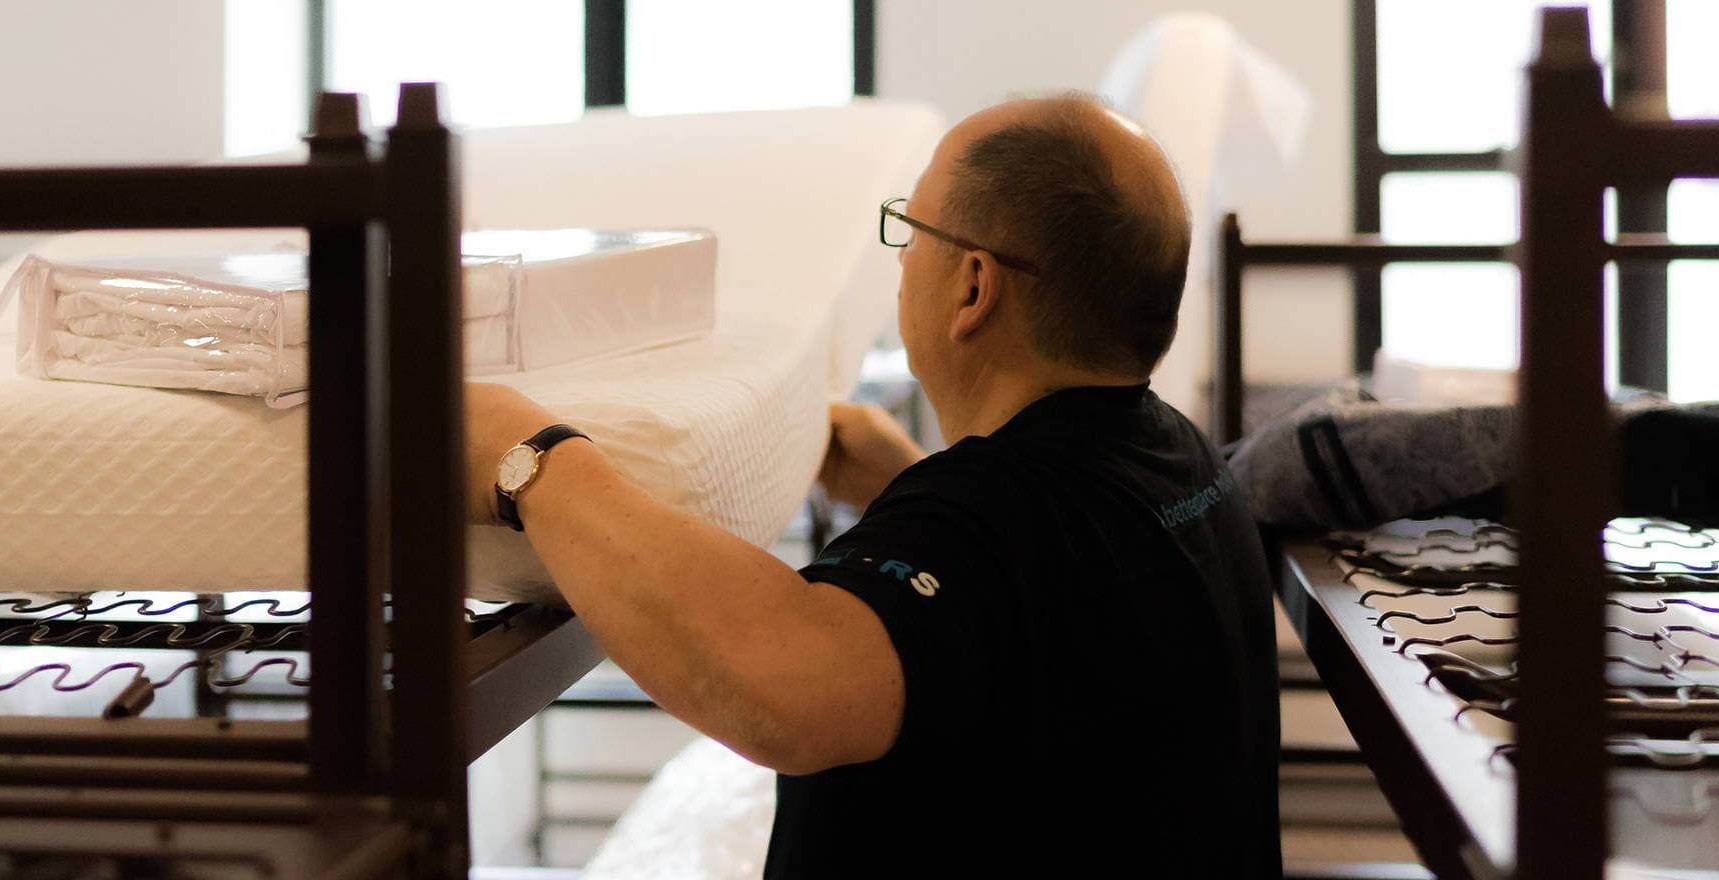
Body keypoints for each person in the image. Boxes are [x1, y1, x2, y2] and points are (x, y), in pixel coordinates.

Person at [464, 93, 1279, 878]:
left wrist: (530, 459)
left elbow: (783, 684)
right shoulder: (1182, 459)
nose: (899, 260)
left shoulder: (996, 512)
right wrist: (907, 485)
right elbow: (1043, 603)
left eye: (910, 229)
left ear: (972, 287)